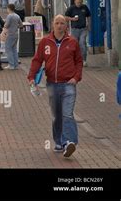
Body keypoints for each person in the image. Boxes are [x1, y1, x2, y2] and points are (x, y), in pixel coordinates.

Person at [28, 15, 83, 158]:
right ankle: (59, 142)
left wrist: (76, 78)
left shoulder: (73, 42)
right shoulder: (45, 42)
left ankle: (69, 142)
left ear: (66, 26)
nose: (59, 26)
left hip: (68, 84)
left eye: (62, 23)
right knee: (56, 116)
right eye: (57, 23)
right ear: (53, 25)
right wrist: (32, 77)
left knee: (67, 114)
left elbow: (79, 62)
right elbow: (37, 60)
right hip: (52, 84)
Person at [65, 0, 91, 67]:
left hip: (83, 29)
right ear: (75, 2)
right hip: (74, 29)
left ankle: (84, 60)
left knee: (82, 43)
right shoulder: (71, 8)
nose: (79, 4)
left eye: (80, 3)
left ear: (82, 2)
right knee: (74, 45)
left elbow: (88, 16)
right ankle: (75, 60)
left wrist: (89, 25)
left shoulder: (84, 7)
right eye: (77, 3)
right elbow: (66, 17)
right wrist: (72, 19)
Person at [3, 4, 23, 70]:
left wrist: (4, 24)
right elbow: (21, 25)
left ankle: (11, 65)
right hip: (16, 34)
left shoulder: (9, 16)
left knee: (8, 49)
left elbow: (6, 25)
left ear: (9, 8)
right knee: (14, 50)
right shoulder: (17, 16)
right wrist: (15, 26)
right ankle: (16, 65)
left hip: (10, 34)